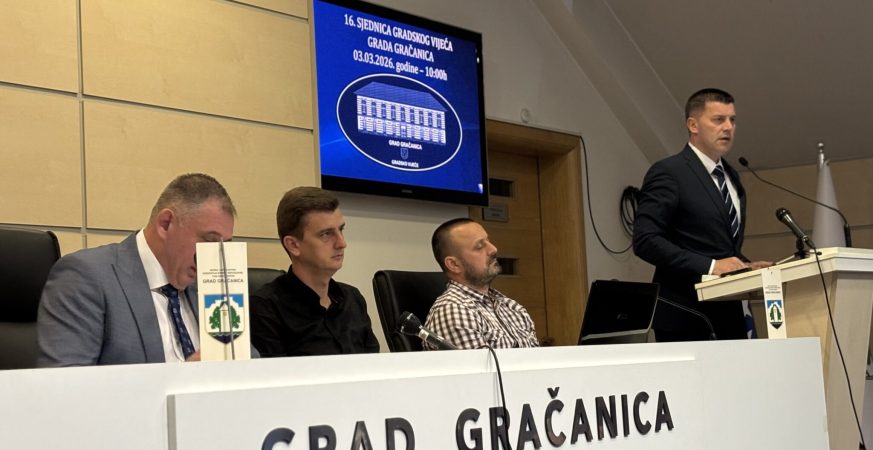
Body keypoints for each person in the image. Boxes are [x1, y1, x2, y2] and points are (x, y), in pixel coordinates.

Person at [38, 173, 236, 366]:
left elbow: (244, 360)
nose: (215, 257)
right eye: (209, 241)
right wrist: (182, 378)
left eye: (223, 247)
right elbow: (65, 383)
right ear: (165, 224)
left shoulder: (210, 285)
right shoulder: (85, 276)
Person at [633, 88, 771, 342]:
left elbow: (720, 245)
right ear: (693, 125)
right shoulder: (669, 172)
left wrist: (744, 267)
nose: (728, 127)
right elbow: (646, 240)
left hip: (730, 312)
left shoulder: (732, 176)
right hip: (686, 315)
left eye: (732, 120)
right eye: (718, 120)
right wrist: (712, 266)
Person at [250, 186, 379, 356]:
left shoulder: (353, 298)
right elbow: (274, 373)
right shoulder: (266, 309)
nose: (342, 243)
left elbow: (374, 366)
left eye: (341, 230)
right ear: (293, 245)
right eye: (326, 234)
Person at [424, 218, 538, 349]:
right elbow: (481, 363)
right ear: (454, 264)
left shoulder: (512, 307)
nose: (493, 249)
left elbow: (538, 359)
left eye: (488, 241)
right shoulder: (452, 310)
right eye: (479, 246)